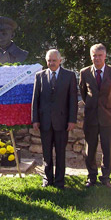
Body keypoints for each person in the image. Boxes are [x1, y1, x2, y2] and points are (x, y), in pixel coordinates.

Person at [31, 49, 78, 189]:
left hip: (62, 123)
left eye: (54, 60)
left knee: (60, 153)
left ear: (60, 61)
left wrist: (72, 120)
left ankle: (59, 181)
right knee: (46, 153)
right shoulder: (39, 76)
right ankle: (47, 178)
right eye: (49, 61)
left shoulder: (69, 76)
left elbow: (73, 100)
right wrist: (35, 119)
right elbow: (35, 99)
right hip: (44, 122)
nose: (51, 63)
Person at [79, 43, 111, 187]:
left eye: (100, 55)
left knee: (107, 149)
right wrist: (93, 107)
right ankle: (91, 176)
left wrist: (108, 108)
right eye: (94, 56)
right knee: (90, 149)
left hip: (108, 118)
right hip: (91, 117)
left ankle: (105, 177)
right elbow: (83, 93)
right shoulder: (84, 72)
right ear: (91, 57)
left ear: (105, 56)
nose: (97, 58)